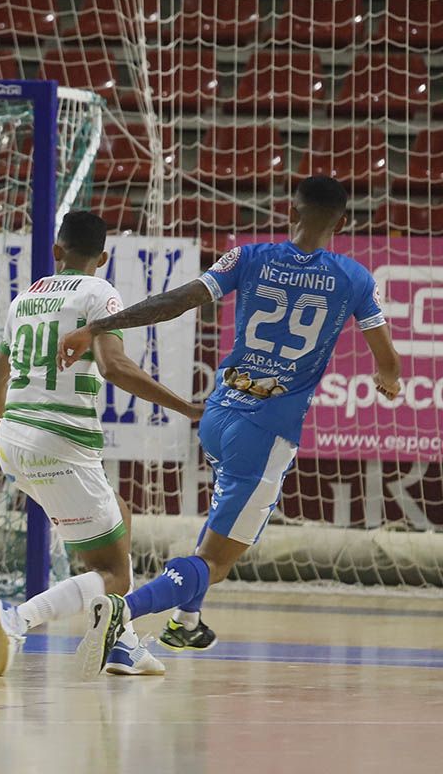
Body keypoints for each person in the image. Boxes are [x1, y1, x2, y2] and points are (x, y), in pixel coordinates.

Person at [60, 176, 403, 680]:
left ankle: (187, 620)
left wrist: (97, 327)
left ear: (293, 211)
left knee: (223, 516)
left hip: (219, 414)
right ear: (342, 222)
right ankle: (123, 612)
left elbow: (175, 301)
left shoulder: (248, 257)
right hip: (266, 431)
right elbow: (388, 362)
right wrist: (388, 382)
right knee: (218, 562)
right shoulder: (354, 279)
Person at [0, 211, 203, 677]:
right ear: (103, 257)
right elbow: (114, 368)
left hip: (13, 441)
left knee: (119, 513)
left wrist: (10, 437)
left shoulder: (23, 300)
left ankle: (122, 648)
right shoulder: (98, 293)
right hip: (61, 443)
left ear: (56, 251)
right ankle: (18, 620)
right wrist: (187, 408)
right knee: (114, 573)